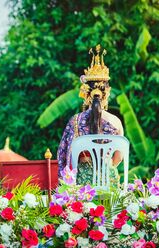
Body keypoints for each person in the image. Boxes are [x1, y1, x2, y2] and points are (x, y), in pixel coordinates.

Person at [58, 44, 124, 186]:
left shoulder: (75, 121)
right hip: (109, 180)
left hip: (82, 183)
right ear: (107, 94)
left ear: (86, 94)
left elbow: (63, 156)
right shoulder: (116, 122)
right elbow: (119, 157)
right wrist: (105, 168)